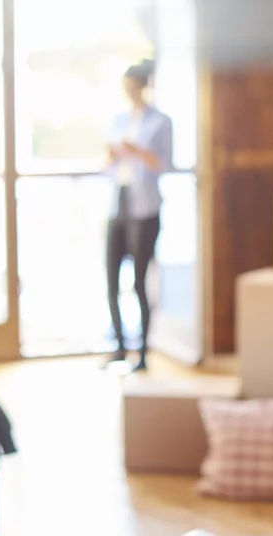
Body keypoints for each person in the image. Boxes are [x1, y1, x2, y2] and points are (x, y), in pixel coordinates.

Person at [105, 59, 173, 372]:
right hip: (118, 203)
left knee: (139, 283)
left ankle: (143, 354)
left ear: (143, 85)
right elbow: (108, 164)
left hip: (145, 209)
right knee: (111, 279)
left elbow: (163, 163)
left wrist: (137, 151)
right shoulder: (118, 120)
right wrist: (112, 154)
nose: (129, 91)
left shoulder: (160, 121)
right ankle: (119, 348)